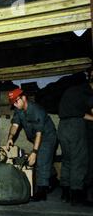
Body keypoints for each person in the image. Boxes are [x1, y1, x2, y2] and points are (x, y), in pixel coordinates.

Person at [6, 88, 57, 201]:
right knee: (44, 159)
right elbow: (15, 125)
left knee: (41, 160)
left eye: (16, 101)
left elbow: (40, 133)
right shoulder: (19, 110)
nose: (14, 105)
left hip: (47, 137)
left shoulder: (36, 110)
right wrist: (10, 138)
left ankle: (41, 192)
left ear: (23, 98)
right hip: (36, 138)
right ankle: (52, 178)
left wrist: (34, 152)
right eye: (12, 103)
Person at [58, 76, 93, 205]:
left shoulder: (72, 90)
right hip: (75, 126)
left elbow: (80, 112)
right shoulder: (87, 92)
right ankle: (77, 196)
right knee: (79, 160)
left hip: (62, 126)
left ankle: (65, 193)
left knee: (67, 160)